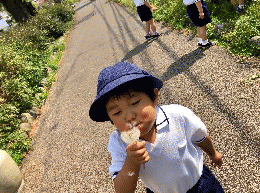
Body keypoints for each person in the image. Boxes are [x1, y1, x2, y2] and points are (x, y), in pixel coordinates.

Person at [89, 61, 224, 193]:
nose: (129, 116)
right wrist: (131, 162)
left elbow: (201, 137)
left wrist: (213, 154)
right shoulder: (119, 142)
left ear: (154, 97)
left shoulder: (178, 115)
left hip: (200, 184)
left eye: (135, 102)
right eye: (117, 112)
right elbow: (122, 190)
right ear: (110, 119)